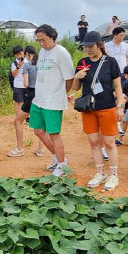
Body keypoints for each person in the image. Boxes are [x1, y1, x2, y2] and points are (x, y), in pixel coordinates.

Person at [70, 31, 123, 190]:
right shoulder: (82, 62)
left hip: (107, 107)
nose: (87, 50)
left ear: (99, 45)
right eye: (85, 47)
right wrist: (77, 77)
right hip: (89, 108)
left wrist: (119, 107)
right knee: (93, 142)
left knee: (109, 142)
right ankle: (100, 172)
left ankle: (113, 175)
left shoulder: (110, 62)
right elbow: (75, 88)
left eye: (90, 46)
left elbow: (118, 87)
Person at [30, 24, 74, 176]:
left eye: (44, 40)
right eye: (39, 40)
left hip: (53, 100)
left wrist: (61, 93)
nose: (41, 43)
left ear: (52, 37)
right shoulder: (42, 51)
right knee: (38, 131)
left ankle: (62, 165)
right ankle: (57, 158)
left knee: (54, 134)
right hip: (39, 99)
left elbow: (69, 78)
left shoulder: (61, 53)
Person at [9, 46, 44, 157]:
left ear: (27, 54)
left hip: (31, 95)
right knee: (40, 123)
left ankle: (19, 149)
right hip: (42, 95)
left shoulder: (27, 65)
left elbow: (25, 84)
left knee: (18, 121)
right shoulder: (42, 64)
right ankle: (40, 149)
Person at [10, 46, 26, 114]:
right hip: (18, 85)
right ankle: (18, 118)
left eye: (20, 53)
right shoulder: (14, 63)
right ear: (15, 55)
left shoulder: (28, 61)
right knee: (18, 102)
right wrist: (18, 66)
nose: (19, 55)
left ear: (23, 52)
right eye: (17, 54)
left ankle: (26, 118)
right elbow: (13, 74)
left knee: (27, 102)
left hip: (27, 84)